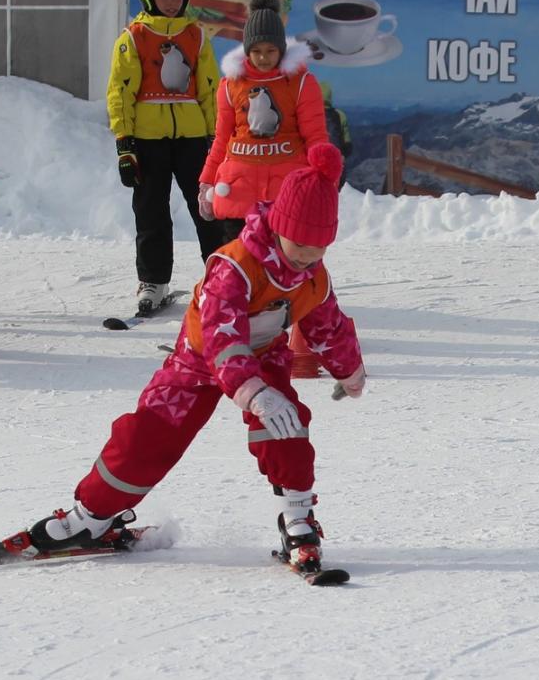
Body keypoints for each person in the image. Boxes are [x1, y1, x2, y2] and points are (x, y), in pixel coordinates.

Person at [26, 143, 365, 578]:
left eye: (318, 248)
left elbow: (327, 325)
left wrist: (348, 369)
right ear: (280, 225)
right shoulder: (234, 266)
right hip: (200, 362)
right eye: (300, 243)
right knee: (147, 436)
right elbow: (222, 340)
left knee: (288, 424)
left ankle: (298, 522)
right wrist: (254, 393)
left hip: (262, 361)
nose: (306, 256)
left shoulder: (312, 275)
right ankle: (91, 516)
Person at [109, 0, 224, 317]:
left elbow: (210, 90)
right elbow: (120, 92)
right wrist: (125, 143)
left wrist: (215, 139)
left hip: (192, 138)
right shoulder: (134, 38)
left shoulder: (197, 36)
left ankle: (222, 276)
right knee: (151, 211)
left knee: (208, 209)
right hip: (147, 139)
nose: (172, 2)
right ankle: (153, 280)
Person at [199, 0, 331, 227]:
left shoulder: (301, 82)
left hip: (285, 192)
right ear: (247, 50)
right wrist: (207, 181)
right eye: (256, 51)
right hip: (236, 192)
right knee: (239, 262)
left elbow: (315, 138)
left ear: (281, 48)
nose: (263, 57)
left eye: (270, 50)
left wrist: (324, 178)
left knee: (282, 261)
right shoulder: (230, 84)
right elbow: (221, 138)